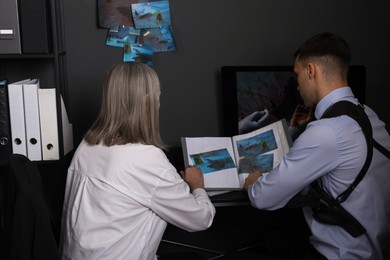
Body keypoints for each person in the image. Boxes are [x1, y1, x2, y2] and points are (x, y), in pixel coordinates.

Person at [244, 32, 390, 259]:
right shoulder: (369, 116)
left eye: (297, 74)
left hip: (341, 254)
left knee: (265, 239)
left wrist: (253, 183)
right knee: (278, 237)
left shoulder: (326, 132)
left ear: (311, 71)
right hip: (374, 245)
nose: (297, 84)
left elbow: (263, 198)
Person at [59, 62, 216, 260]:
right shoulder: (146, 158)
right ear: (146, 103)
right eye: (158, 96)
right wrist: (197, 186)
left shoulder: (86, 145)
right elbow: (201, 220)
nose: (159, 104)